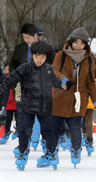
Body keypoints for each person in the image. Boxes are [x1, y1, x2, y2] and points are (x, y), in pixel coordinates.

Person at [0, 40, 66, 170]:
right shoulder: (25, 68)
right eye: (36, 57)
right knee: (24, 130)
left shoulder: (49, 69)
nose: (39, 60)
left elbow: (57, 83)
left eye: (42, 57)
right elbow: (10, 80)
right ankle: (23, 152)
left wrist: (65, 85)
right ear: (32, 56)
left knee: (49, 131)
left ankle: (51, 153)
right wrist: (1, 90)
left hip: (45, 106)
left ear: (46, 57)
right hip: (27, 106)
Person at [51, 27, 96, 169]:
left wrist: (95, 98)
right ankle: (52, 151)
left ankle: (76, 150)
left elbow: (91, 81)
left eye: (82, 43)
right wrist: (62, 78)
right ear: (71, 41)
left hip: (79, 99)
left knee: (75, 127)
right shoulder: (62, 55)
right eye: (76, 42)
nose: (78, 46)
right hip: (60, 97)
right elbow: (54, 70)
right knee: (55, 128)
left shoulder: (89, 59)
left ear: (86, 45)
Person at [0, 63, 18, 144]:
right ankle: (6, 134)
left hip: (16, 103)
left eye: (9, 68)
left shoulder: (15, 78)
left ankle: (18, 132)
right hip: (8, 104)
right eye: (6, 68)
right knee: (8, 120)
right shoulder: (4, 78)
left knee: (19, 120)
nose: (7, 70)